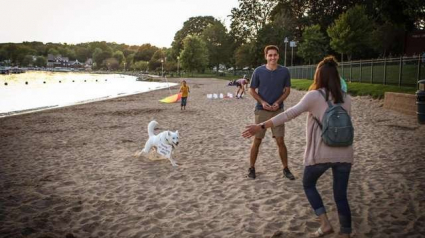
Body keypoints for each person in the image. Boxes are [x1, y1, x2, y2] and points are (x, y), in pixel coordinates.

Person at [242, 55, 354, 238]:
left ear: (319, 76)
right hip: (345, 154)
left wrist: (261, 126)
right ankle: (346, 234)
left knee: (309, 184)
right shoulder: (346, 98)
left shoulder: (314, 96)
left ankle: (325, 224)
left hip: (321, 154)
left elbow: (288, 114)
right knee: (341, 196)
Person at [247, 45, 295, 180]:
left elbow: (287, 90)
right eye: (270, 55)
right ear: (266, 56)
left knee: (280, 140)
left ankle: (285, 168)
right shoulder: (258, 71)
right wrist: (262, 102)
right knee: (257, 140)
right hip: (262, 110)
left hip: (278, 110)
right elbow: (251, 89)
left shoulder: (284, 71)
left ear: (278, 56)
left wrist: (278, 102)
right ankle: (251, 168)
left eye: (275, 55)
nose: (272, 57)